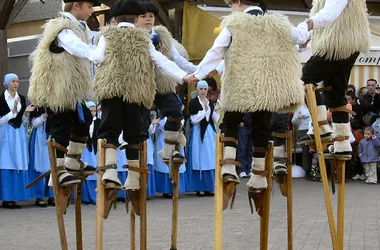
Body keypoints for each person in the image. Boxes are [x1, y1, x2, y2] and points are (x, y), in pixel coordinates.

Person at [191, 0, 307, 205]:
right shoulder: (279, 23)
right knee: (262, 126)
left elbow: (217, 50)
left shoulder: (235, 23)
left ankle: (228, 166)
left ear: (238, 2)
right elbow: (301, 37)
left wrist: (197, 73)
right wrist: (309, 25)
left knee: (231, 120)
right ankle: (259, 175)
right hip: (265, 86)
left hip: (241, 84)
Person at [91, 0, 193, 214]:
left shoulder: (107, 35)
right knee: (135, 134)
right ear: (137, 19)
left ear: (115, 19)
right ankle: (133, 179)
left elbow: (97, 57)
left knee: (109, 130)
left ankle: (109, 172)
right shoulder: (143, 38)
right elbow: (161, 61)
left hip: (112, 90)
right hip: (136, 92)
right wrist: (184, 76)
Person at [29, 0, 102, 187]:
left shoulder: (79, 29)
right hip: (57, 90)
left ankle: (73, 160)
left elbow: (90, 43)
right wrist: (96, 55)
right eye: (89, 6)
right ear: (76, 5)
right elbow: (76, 47)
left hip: (71, 91)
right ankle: (58, 172)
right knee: (60, 127)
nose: (91, 10)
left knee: (84, 120)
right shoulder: (63, 28)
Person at [298, 0, 370, 161]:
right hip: (346, 42)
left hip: (338, 42)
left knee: (305, 78)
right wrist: (308, 35)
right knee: (335, 93)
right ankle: (343, 143)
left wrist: (308, 25)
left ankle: (322, 126)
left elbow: (330, 13)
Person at [135, 2, 197, 161]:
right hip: (140, 86)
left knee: (176, 111)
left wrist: (197, 71)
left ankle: (169, 150)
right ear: (136, 19)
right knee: (139, 123)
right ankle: (137, 161)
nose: (148, 20)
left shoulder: (162, 37)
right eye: (144, 16)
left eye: (151, 16)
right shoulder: (132, 36)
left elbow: (177, 59)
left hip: (162, 83)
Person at [0, 73, 35, 208]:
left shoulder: (21, 98)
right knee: (6, 161)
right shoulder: (1, 99)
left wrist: (25, 113)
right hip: (5, 133)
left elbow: (24, 121)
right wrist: (12, 112)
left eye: (17, 81)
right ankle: (6, 198)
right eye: (13, 81)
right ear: (7, 83)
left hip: (18, 133)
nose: (15, 84)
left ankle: (15, 197)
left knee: (18, 161)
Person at [187, 80, 220, 196]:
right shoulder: (194, 103)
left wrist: (215, 111)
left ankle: (208, 187)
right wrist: (205, 110)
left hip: (209, 134)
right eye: (201, 89)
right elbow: (194, 119)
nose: (203, 91)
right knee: (199, 159)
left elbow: (215, 119)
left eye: (205, 89)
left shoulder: (211, 102)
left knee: (209, 159)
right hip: (198, 133)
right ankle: (198, 187)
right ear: (197, 89)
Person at [28, 107, 54, 207]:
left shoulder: (55, 105)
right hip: (39, 138)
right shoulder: (36, 107)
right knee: (40, 166)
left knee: (52, 165)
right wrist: (44, 116)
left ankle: (52, 196)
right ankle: (39, 197)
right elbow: (34, 123)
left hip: (51, 137)